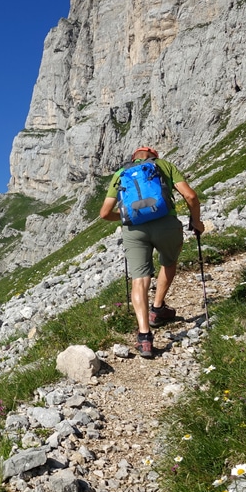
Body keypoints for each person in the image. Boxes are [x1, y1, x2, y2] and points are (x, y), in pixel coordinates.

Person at [99, 146, 203, 358]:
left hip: (133, 230)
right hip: (166, 223)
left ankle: (144, 337)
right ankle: (157, 308)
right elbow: (190, 196)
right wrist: (197, 221)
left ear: (133, 158)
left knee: (139, 279)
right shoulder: (163, 166)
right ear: (154, 156)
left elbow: (104, 213)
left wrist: (128, 217)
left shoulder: (121, 174)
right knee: (169, 261)